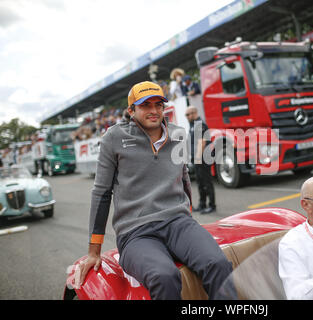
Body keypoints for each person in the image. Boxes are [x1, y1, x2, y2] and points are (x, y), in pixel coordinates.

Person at [76, 81, 232, 300]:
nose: (154, 111)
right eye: (145, 105)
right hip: (135, 232)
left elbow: (184, 178)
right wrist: (94, 251)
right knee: (164, 276)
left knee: (219, 264)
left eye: (158, 104)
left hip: (178, 223)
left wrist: (189, 218)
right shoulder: (114, 137)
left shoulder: (178, 134)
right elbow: (101, 193)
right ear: (131, 110)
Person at [185, 106, 216, 214]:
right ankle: (202, 204)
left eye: (188, 115)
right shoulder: (193, 125)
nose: (187, 117)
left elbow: (202, 142)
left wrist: (198, 158)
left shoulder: (200, 125)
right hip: (197, 158)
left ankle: (212, 205)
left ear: (194, 113)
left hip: (203, 158)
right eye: (186, 115)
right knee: (199, 182)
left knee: (207, 182)